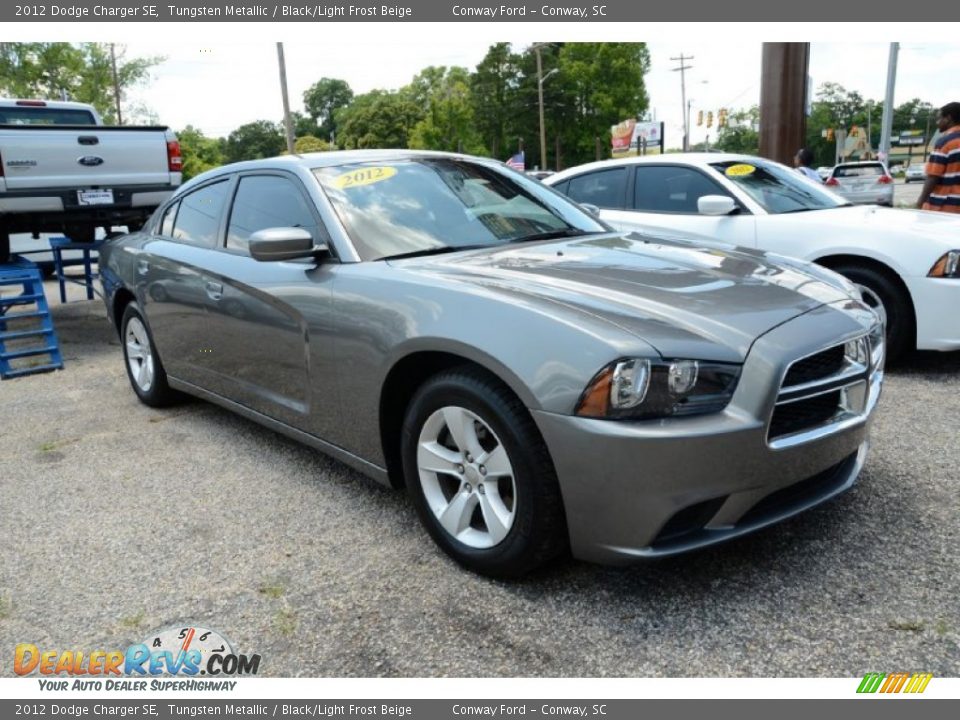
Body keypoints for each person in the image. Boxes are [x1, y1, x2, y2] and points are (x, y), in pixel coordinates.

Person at [917, 102, 960, 213]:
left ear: (948, 118)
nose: (937, 123)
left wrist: (920, 201)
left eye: (939, 118)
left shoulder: (945, 142)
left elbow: (933, 176)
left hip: (945, 205)